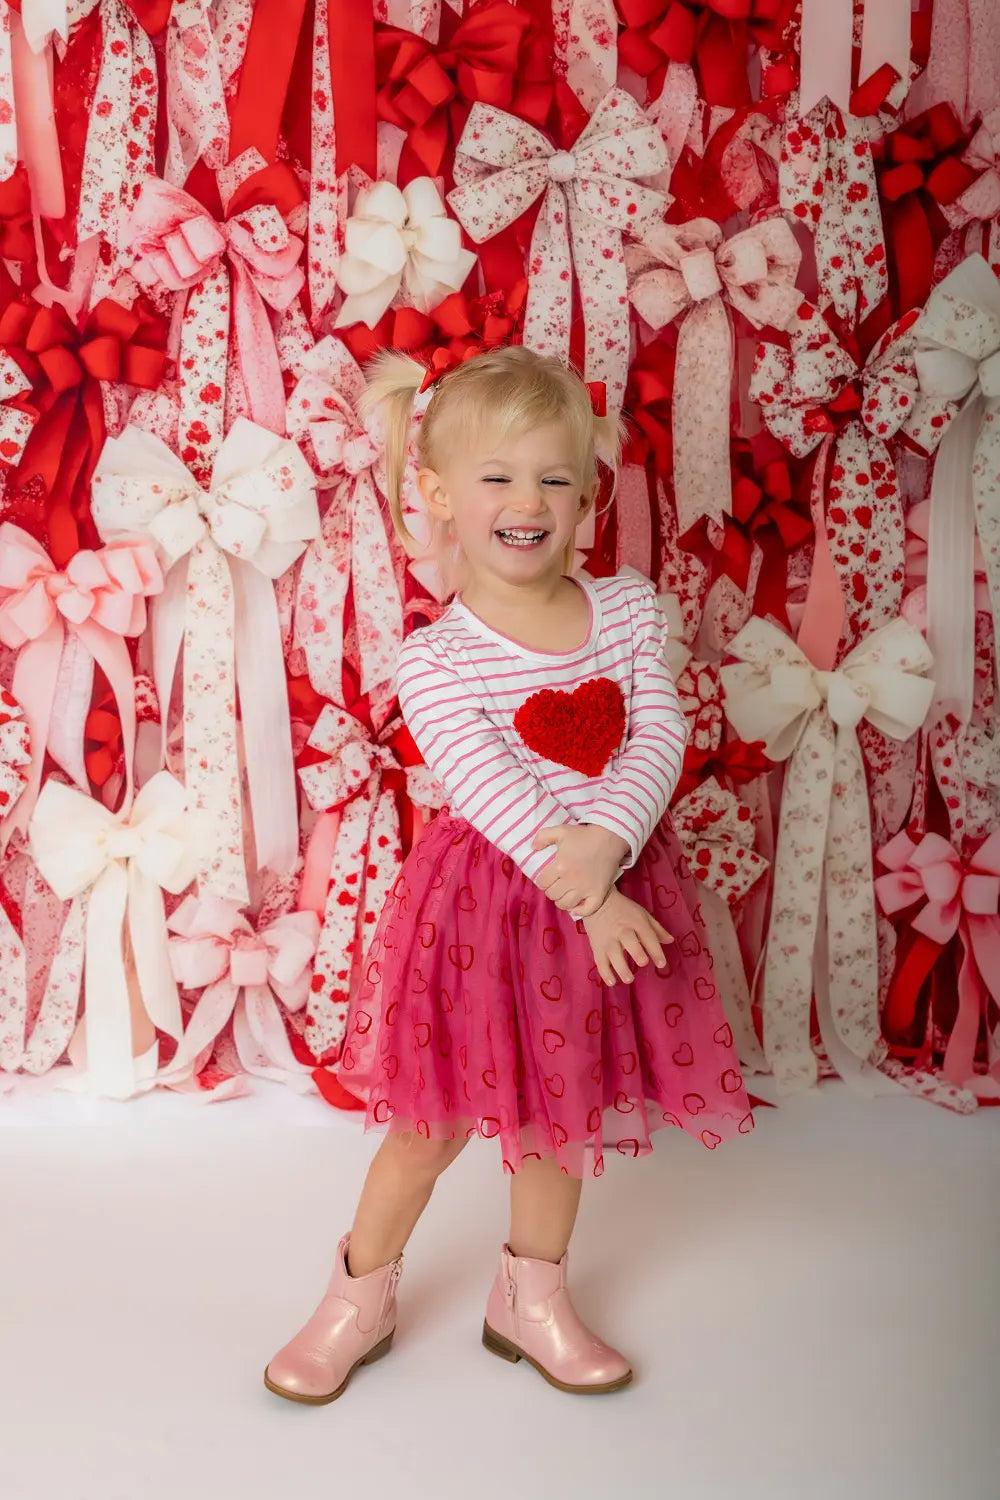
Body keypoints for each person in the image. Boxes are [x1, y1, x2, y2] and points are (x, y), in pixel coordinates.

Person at [264, 346, 754, 1406]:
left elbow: (660, 733)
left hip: (607, 891)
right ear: (437, 495)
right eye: (497, 478)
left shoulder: (625, 610)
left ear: (586, 494)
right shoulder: (437, 659)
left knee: (562, 1112)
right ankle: (359, 1290)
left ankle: (528, 1297)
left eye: (551, 478)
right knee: (427, 1125)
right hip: (492, 915)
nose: (526, 501)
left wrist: (609, 848)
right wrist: (585, 884)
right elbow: (487, 787)